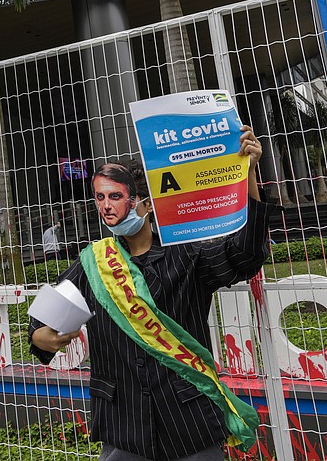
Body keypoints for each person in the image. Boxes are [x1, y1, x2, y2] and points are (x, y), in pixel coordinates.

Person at [29, 126, 276, 461]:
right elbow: (45, 317)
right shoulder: (93, 263)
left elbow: (243, 256)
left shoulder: (186, 255)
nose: (106, 207)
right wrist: (41, 336)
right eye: (100, 198)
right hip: (123, 423)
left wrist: (248, 175)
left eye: (115, 196)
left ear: (145, 203)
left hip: (188, 418)